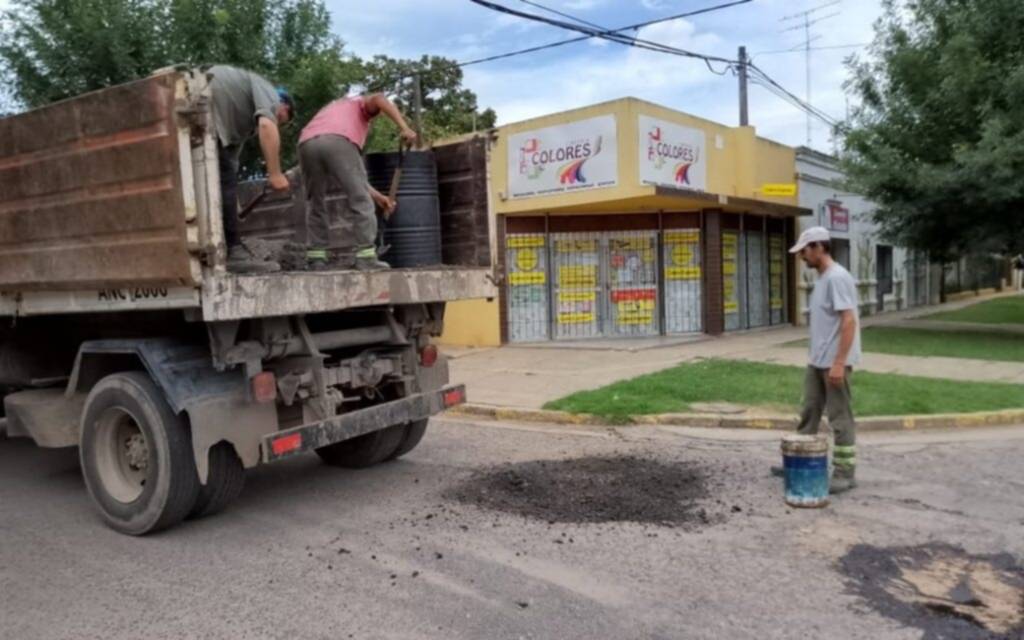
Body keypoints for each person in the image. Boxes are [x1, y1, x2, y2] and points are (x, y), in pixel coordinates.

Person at [773, 226, 862, 494]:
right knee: (810, 410)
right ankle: (801, 460)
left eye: (804, 251)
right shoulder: (823, 278)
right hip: (818, 360)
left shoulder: (837, 278)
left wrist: (838, 362)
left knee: (839, 416)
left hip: (834, 362)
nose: (802, 256)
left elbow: (849, 321)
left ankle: (845, 473)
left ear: (819, 247)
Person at [298, 93, 417, 271]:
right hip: (338, 140)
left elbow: (356, 179)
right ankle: (366, 257)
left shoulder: (333, 108)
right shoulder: (359, 104)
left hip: (306, 143)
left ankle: (316, 258)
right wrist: (404, 127)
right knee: (360, 201)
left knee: (315, 201)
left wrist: (378, 197)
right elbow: (379, 98)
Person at [209, 65, 294, 273]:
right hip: (206, 104)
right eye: (283, 118)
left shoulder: (239, 124)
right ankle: (235, 253)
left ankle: (217, 249)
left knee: (218, 183)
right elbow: (267, 125)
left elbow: (229, 169)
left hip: (203, 110)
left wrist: (233, 203)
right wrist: (275, 174)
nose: (279, 123)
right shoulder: (270, 93)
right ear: (283, 105)